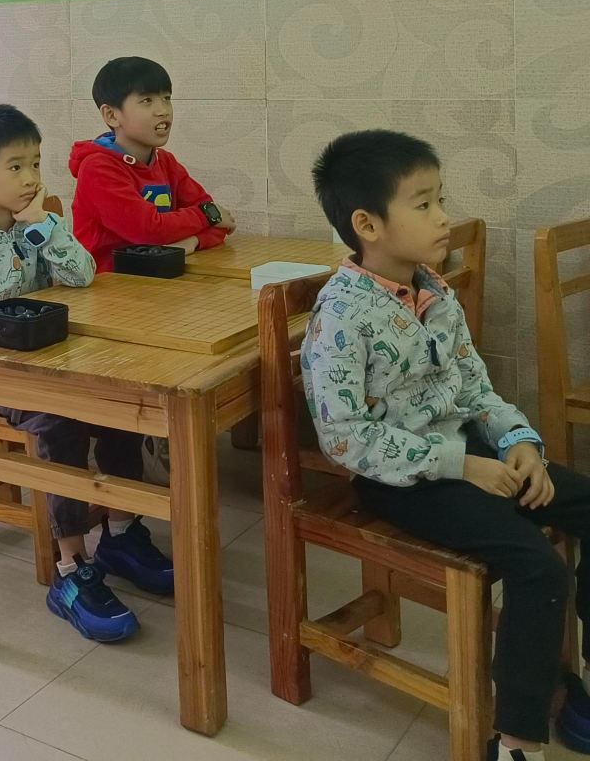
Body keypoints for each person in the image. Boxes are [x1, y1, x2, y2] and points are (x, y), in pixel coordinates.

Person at [305, 129, 590, 761]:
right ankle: (516, 742)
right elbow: (345, 438)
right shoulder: (342, 314)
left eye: (441, 200)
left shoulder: (434, 291)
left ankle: (576, 676)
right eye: (424, 203)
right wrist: (462, 466)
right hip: (400, 482)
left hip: (467, 457)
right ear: (367, 224)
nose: (443, 217)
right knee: (537, 565)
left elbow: (474, 386)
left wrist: (518, 441)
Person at [0, 102, 175, 644]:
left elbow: (81, 275)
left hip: (51, 368)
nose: (31, 177)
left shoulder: (38, 228)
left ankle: (121, 533)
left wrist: (45, 228)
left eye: (35, 163)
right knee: (61, 421)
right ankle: (71, 568)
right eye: (15, 166)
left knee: (118, 405)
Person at [69, 56, 234, 273]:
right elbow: (148, 231)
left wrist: (192, 241)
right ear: (111, 115)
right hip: (105, 284)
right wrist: (205, 216)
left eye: (166, 98)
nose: (163, 110)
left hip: (157, 278)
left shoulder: (166, 162)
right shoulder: (98, 169)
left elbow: (221, 222)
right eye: (147, 100)